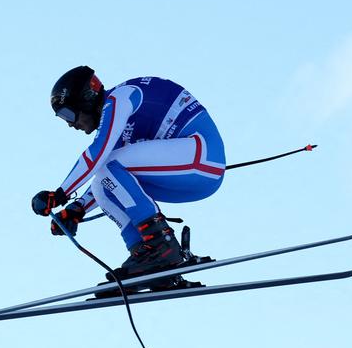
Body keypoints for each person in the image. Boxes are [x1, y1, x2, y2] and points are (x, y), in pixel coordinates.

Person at [32, 66, 225, 289]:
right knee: (103, 186)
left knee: (106, 165)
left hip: (202, 156)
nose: (70, 124)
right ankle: (146, 258)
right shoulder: (118, 123)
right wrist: (78, 209)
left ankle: (162, 246)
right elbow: (109, 175)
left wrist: (59, 194)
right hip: (192, 173)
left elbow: (99, 153)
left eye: (68, 114)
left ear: (86, 99)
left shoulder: (119, 98)